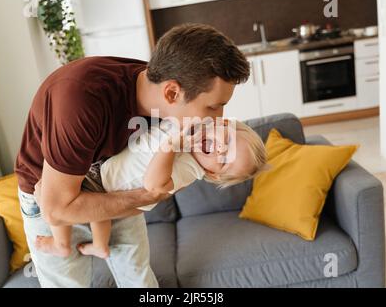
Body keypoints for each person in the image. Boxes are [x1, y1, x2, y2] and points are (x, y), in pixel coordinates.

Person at [15, 23, 250, 288]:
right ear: (172, 92)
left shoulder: (166, 97)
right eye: (214, 106)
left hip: (108, 182)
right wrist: (147, 196)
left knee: (139, 281)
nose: (218, 118)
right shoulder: (80, 100)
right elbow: (56, 211)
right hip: (50, 193)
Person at [33, 120, 267, 263]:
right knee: (98, 212)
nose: (219, 149)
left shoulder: (191, 168)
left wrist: (171, 146)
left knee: (47, 191)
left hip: (107, 183)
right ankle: (100, 246)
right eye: (226, 140)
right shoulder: (191, 127)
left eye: (224, 160)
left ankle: (61, 243)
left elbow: (154, 185)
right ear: (221, 124)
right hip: (108, 179)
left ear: (214, 174)